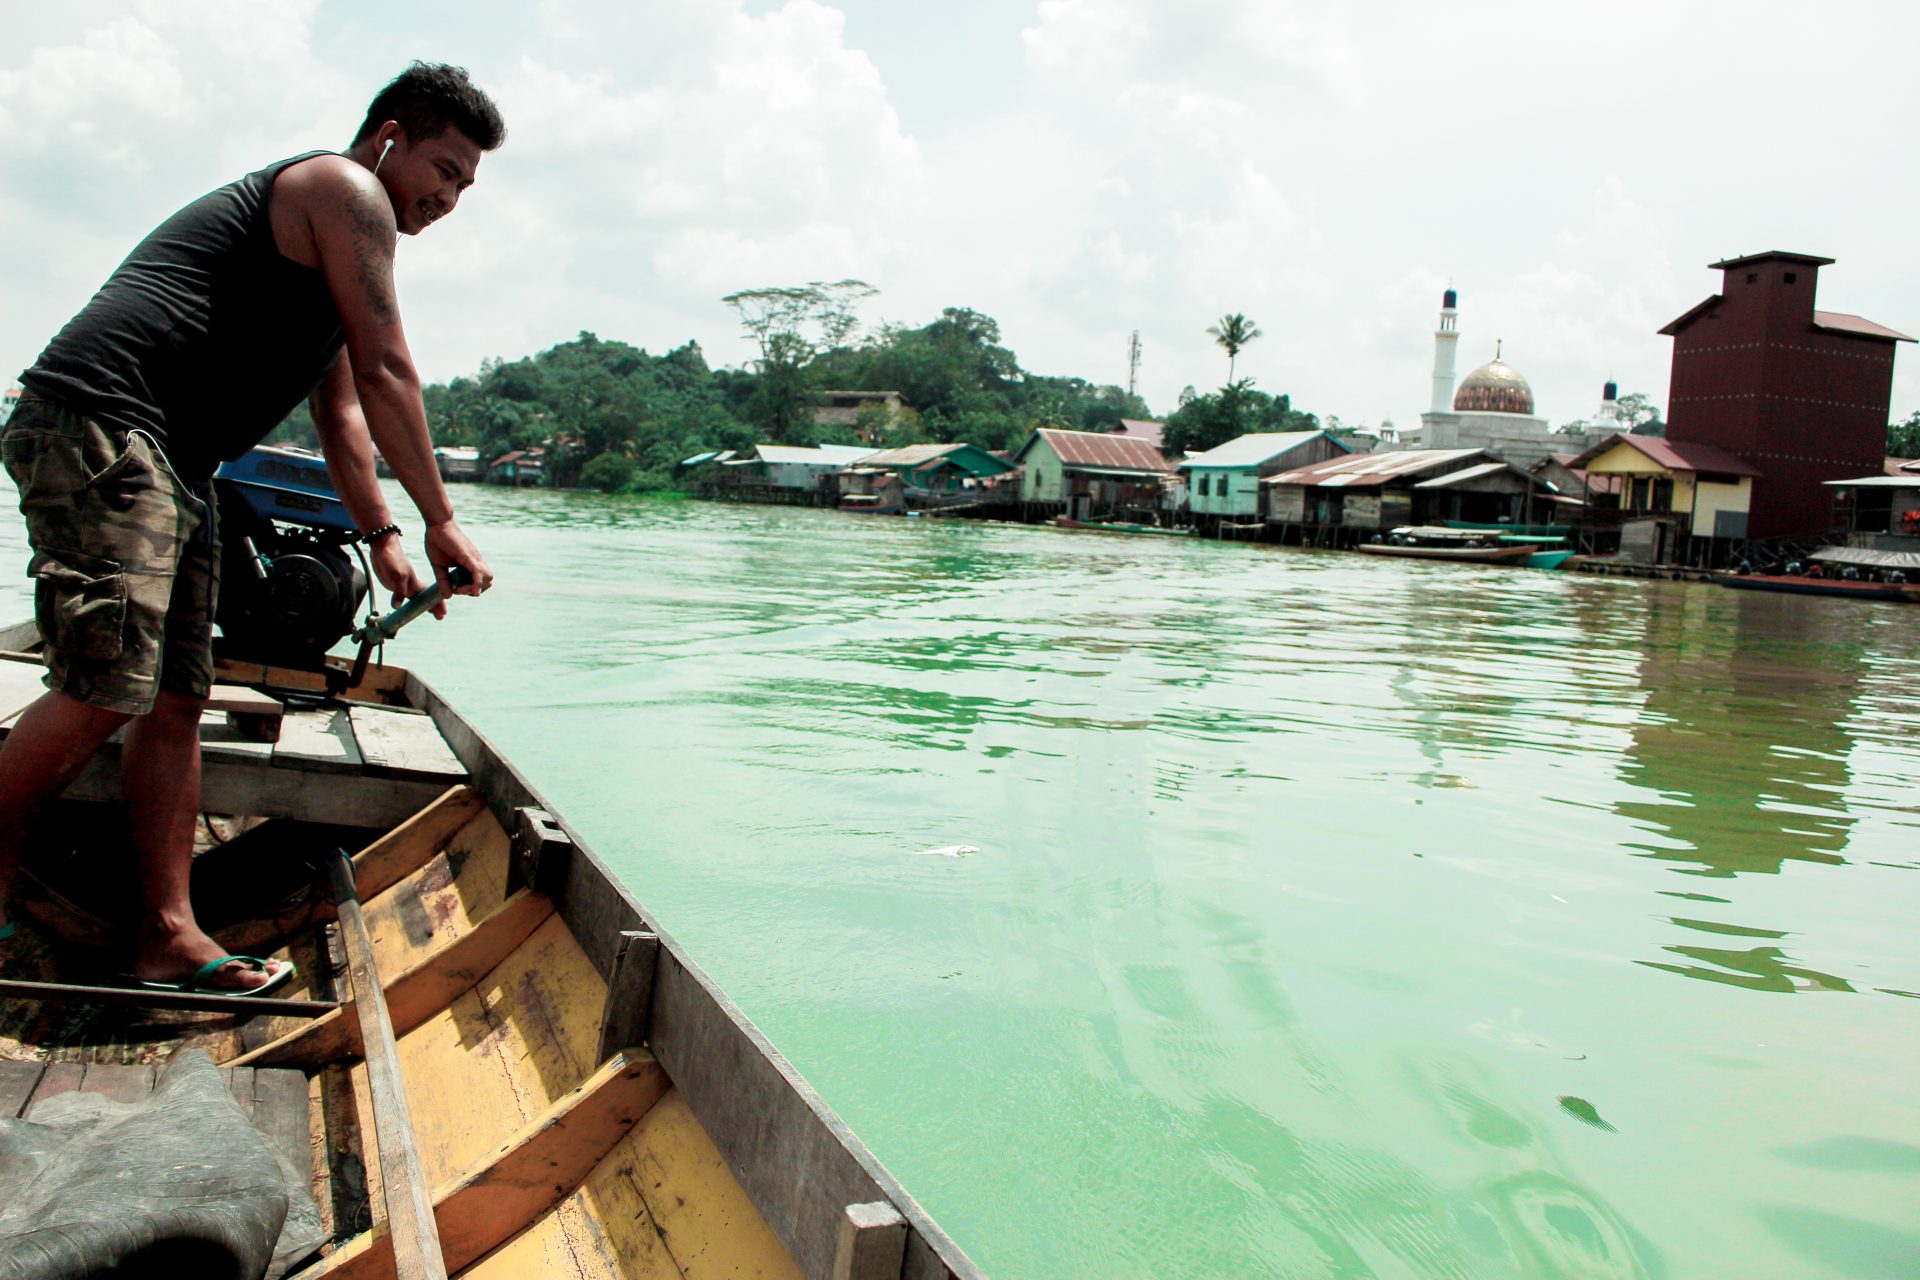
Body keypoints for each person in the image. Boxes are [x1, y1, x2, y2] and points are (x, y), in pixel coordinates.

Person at [0, 62, 502, 994]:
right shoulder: (341, 191)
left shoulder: (332, 268)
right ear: (388, 136)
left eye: (466, 184)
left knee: (176, 697)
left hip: (174, 464)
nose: (449, 196)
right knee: (111, 681)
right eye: (443, 167)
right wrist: (442, 517)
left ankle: (165, 934)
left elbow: (344, 413)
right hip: (99, 425)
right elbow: (392, 368)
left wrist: (386, 535)